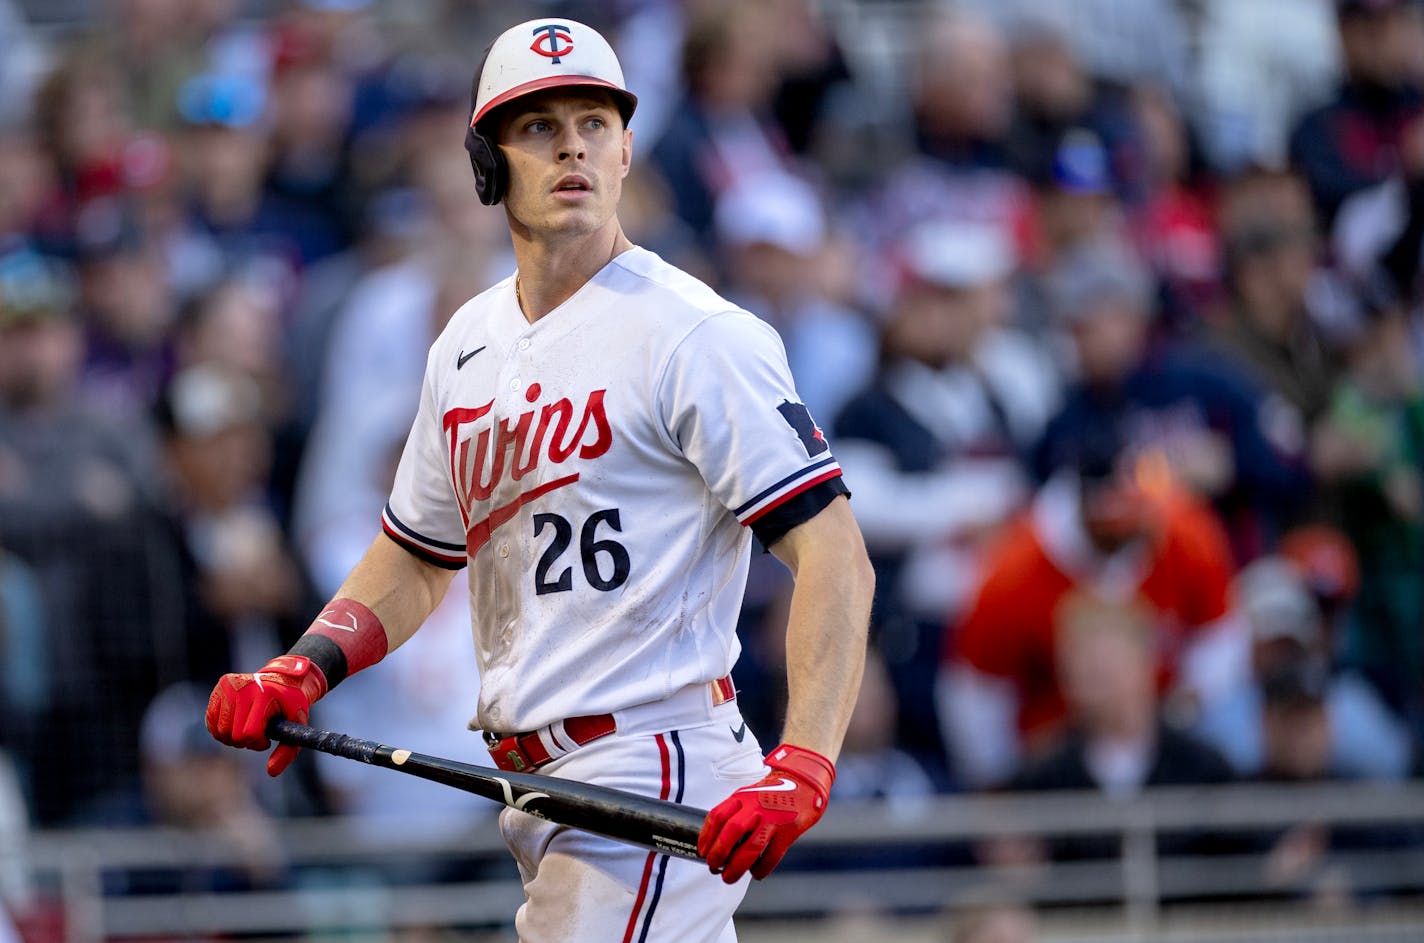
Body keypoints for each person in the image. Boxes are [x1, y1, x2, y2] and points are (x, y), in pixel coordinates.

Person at [204, 17, 874, 943]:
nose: (571, 145)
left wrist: (803, 761)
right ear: (489, 164)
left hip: (650, 763)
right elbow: (417, 553)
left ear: (629, 146)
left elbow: (835, 551)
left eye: (594, 122)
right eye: (537, 125)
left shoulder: (694, 332)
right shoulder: (467, 344)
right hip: (538, 784)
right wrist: (306, 663)